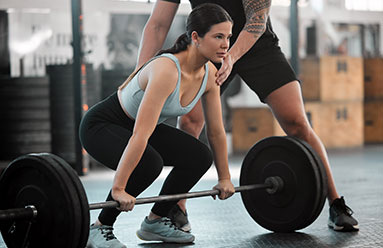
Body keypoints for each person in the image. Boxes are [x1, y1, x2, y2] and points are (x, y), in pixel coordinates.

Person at [136, 0, 359, 233]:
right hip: (208, 42)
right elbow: (158, 24)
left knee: (297, 123)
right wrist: (140, 75)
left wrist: (230, 57)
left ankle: (335, 203)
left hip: (257, 45)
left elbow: (257, 21)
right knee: (190, 121)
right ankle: (176, 207)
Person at [80, 3, 236, 247]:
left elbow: (215, 132)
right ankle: (100, 227)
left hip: (136, 129)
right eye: (218, 36)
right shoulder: (166, 69)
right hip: (102, 126)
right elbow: (140, 135)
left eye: (228, 37)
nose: (226, 44)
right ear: (196, 37)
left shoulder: (209, 75)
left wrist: (225, 178)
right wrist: (119, 188)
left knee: (199, 156)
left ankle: (155, 222)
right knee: (149, 163)